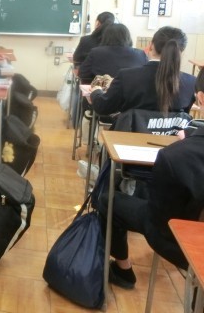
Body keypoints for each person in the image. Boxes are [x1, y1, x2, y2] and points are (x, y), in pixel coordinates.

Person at [97, 67, 204, 289]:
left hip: (182, 243)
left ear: (200, 98)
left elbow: (159, 221)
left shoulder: (175, 157)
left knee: (108, 200)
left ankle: (123, 270)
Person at [90, 26, 196, 115]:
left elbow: (103, 108)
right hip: (173, 134)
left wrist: (96, 91)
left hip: (130, 132)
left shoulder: (126, 76)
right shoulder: (191, 82)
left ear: (151, 46)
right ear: (181, 52)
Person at [78, 23, 147, 84]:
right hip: (133, 92)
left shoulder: (96, 52)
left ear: (105, 37)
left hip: (104, 92)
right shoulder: (141, 54)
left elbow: (82, 73)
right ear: (128, 37)